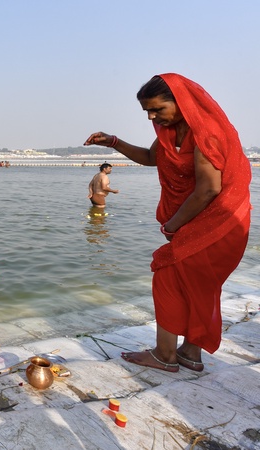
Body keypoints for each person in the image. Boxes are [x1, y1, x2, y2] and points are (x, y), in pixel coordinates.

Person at [84, 73, 251, 373]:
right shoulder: (171, 131)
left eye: (158, 109)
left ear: (181, 101)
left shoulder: (206, 133)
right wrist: (114, 142)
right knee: (197, 285)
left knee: (167, 275)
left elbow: (209, 188)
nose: (152, 116)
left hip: (221, 222)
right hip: (200, 220)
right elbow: (151, 157)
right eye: (147, 111)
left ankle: (164, 354)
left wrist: (172, 225)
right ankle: (190, 352)